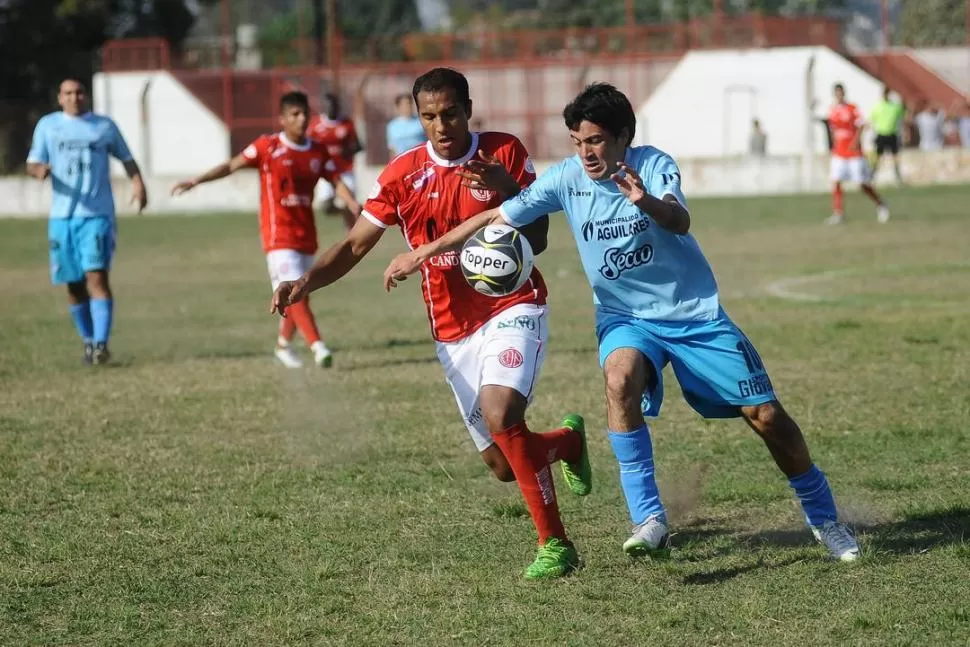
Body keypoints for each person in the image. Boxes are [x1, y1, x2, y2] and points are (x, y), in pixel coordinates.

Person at [385, 82, 862, 563]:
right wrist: (421, 253)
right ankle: (649, 519)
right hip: (625, 318)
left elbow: (679, 221)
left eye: (595, 141)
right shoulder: (567, 178)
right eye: (577, 141)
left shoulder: (653, 165)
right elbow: (498, 216)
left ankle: (825, 519)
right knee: (619, 379)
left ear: (624, 137)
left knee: (767, 418)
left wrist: (644, 201)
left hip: (692, 313)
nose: (585, 152)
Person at [271, 68, 592, 579]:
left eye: (450, 114)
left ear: (468, 108)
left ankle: (556, 544)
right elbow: (355, 245)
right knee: (505, 465)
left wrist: (506, 187)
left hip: (514, 306)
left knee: (500, 411)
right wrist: (305, 282)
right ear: (418, 116)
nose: (441, 126)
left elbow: (543, 237)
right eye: (428, 116)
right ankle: (566, 444)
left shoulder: (503, 152)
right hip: (451, 328)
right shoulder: (402, 175)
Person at [172, 91, 358, 369]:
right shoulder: (266, 146)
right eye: (295, 114)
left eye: (305, 113)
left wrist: (354, 205)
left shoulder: (317, 151)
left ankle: (283, 345)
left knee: (299, 293)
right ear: (282, 119)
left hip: (306, 234)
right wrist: (197, 180)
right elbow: (231, 165)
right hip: (277, 235)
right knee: (294, 291)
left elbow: (336, 181)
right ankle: (318, 347)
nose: (302, 119)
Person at [26, 78, 148, 365]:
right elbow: (32, 163)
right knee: (72, 284)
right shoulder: (48, 125)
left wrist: (138, 184)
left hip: (96, 214)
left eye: (79, 92)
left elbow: (127, 157)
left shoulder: (103, 126)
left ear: (87, 96)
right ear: (59, 98)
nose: (74, 97)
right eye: (68, 93)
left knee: (97, 276)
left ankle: (101, 344)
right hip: (61, 217)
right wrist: (39, 170)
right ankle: (89, 343)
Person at [825, 83, 889, 225]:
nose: (839, 95)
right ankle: (838, 213)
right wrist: (832, 146)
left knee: (861, 184)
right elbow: (832, 130)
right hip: (839, 153)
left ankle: (881, 204)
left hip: (854, 154)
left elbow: (862, 125)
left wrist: (855, 141)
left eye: (841, 93)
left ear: (844, 93)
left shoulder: (852, 108)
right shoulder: (832, 110)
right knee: (835, 182)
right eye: (837, 93)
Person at [308, 93, 362, 230]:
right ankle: (345, 213)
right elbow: (308, 146)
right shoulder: (315, 125)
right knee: (326, 206)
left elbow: (358, 146)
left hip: (345, 170)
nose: (331, 109)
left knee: (350, 203)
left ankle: (352, 234)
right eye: (328, 106)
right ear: (324, 107)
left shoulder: (347, 123)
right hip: (326, 171)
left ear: (338, 107)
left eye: (334, 106)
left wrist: (348, 151)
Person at [869, 86, 905, 184]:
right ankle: (872, 176)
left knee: (895, 156)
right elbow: (872, 121)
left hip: (892, 134)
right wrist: (871, 135)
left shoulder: (895, 107)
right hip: (881, 134)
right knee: (877, 156)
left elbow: (902, 118)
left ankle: (898, 176)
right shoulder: (878, 106)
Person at [386, 93, 427, 157]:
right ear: (398, 106)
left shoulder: (421, 121)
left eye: (409, 103)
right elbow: (392, 148)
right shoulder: (392, 126)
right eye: (404, 104)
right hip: (402, 160)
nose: (407, 106)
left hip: (420, 158)